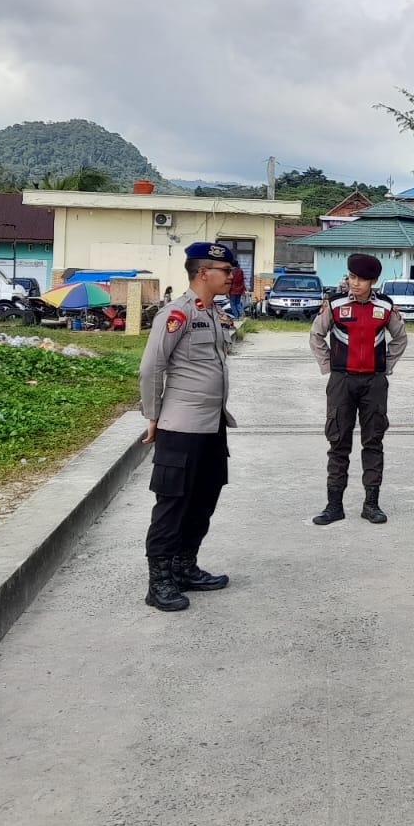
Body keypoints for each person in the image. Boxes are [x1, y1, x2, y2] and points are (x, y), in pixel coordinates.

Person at [138, 241, 239, 613]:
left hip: (212, 425)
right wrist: (153, 416)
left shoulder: (213, 313)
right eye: (225, 271)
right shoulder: (176, 314)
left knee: (204, 499)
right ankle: (159, 582)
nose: (231, 276)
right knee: (173, 505)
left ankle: (185, 567)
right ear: (203, 273)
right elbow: (152, 367)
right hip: (182, 427)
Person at [309, 253, 407, 526]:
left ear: (373, 281)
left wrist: (385, 366)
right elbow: (316, 335)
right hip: (342, 381)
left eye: (362, 279)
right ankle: (334, 506)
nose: (355, 283)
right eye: (352, 277)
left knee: (373, 441)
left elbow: (400, 338)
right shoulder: (335, 304)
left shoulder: (385, 306)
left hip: (374, 383)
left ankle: (371, 504)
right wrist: (329, 366)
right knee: (338, 442)